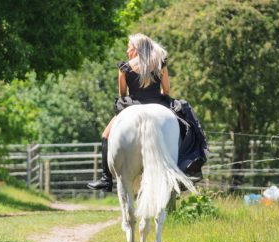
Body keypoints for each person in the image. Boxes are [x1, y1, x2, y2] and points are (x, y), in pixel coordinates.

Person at [85, 33, 208, 192]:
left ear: (136, 49)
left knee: (105, 135)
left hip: (133, 104)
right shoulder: (159, 63)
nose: (127, 51)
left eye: (129, 48)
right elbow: (166, 90)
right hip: (159, 102)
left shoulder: (124, 67)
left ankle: (106, 178)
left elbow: (123, 95)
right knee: (186, 125)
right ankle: (189, 168)